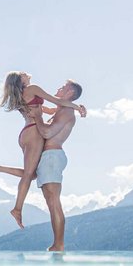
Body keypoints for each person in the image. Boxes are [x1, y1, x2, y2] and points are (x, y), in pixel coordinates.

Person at [0, 72, 85, 229]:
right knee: (29, 174)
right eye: (22, 74)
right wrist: (78, 107)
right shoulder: (32, 89)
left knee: (33, 174)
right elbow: (56, 100)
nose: (26, 73)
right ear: (21, 80)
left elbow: (50, 110)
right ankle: (17, 209)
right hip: (34, 132)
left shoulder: (22, 95)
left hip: (26, 133)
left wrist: (66, 109)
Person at [28, 79, 83, 251]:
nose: (59, 88)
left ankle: (59, 244)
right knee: (51, 202)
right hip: (49, 157)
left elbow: (47, 132)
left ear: (70, 93)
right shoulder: (61, 109)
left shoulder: (66, 112)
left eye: (63, 87)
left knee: (53, 202)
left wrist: (37, 116)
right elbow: (46, 108)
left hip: (52, 157)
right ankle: (57, 243)